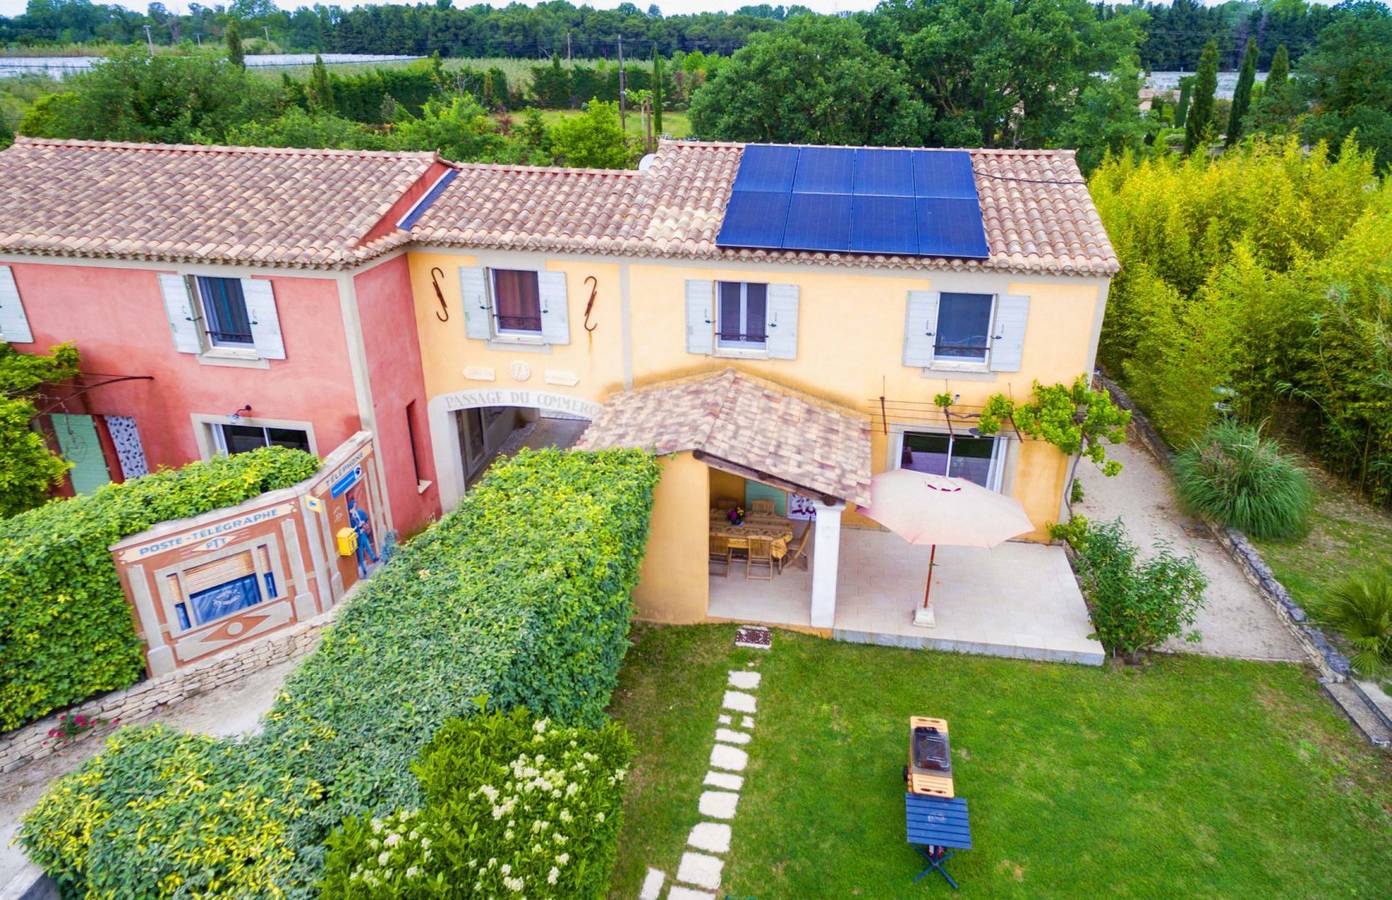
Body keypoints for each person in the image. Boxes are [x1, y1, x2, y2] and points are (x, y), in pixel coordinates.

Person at [347, 495, 378, 578]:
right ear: (350, 510)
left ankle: (373, 558)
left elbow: (365, 518)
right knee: (360, 552)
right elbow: (352, 528)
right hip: (358, 536)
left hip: (362, 533)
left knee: (367, 545)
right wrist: (358, 526)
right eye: (353, 507)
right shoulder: (351, 519)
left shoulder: (359, 512)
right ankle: (363, 568)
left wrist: (364, 523)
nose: (354, 508)